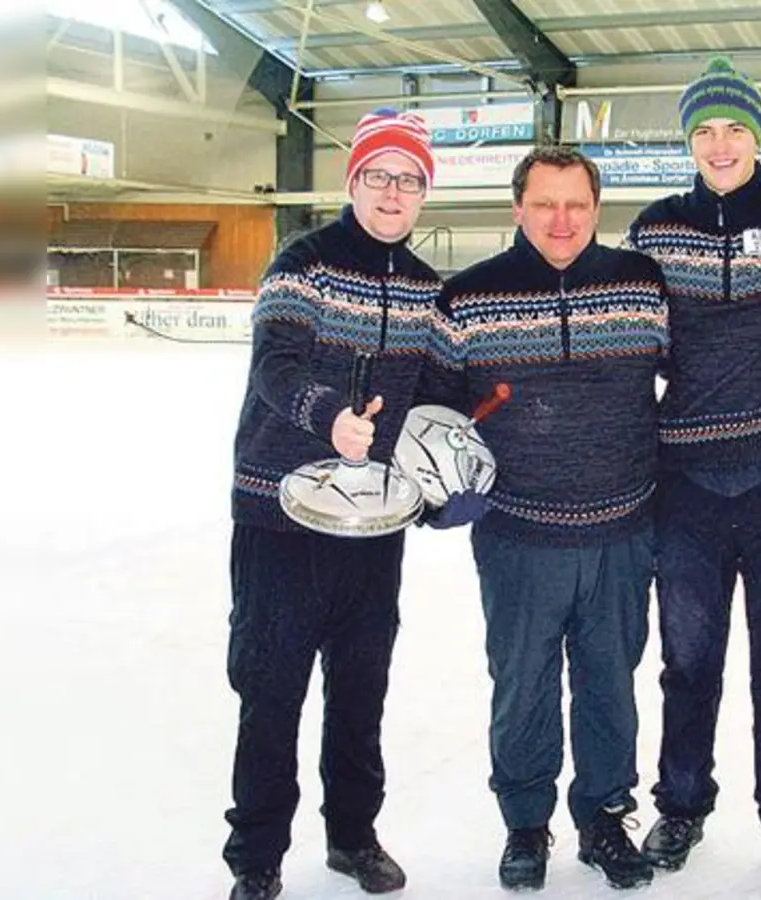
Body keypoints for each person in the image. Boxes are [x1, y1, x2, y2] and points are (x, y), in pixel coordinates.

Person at [424, 145, 670, 892]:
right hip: (519, 536)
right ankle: (526, 825)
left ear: (597, 210)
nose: (561, 221)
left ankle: (602, 819)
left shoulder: (641, 282)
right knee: (522, 684)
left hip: (623, 529)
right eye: (544, 204)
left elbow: (690, 378)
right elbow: (432, 413)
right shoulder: (467, 297)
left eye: (576, 205)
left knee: (609, 684)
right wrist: (438, 487)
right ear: (518, 209)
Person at [624, 55, 761, 898]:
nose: (719, 144)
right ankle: (681, 802)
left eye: (734, 128)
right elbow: (634, 343)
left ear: (758, 137)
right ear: (688, 142)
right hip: (690, 486)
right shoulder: (656, 227)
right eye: (704, 130)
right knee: (688, 659)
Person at [222, 108, 442, 900]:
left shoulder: (425, 289)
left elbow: (439, 397)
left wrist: (460, 462)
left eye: (408, 179)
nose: (393, 191)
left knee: (360, 688)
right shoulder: (301, 264)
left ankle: (352, 836)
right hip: (279, 517)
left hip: (371, 524)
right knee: (272, 688)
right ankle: (256, 856)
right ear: (354, 182)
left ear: (424, 195)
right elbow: (275, 366)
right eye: (379, 175)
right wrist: (330, 417)